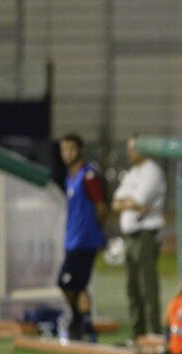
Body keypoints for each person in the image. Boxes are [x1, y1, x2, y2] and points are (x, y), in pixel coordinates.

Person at [112, 134, 166, 340]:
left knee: (147, 287)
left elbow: (139, 200)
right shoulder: (133, 172)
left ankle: (153, 333)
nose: (129, 152)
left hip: (145, 234)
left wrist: (129, 202)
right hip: (130, 235)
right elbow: (117, 202)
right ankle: (137, 334)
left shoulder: (152, 171)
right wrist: (130, 203)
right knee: (132, 287)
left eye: (133, 148)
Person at [56, 133, 106, 341]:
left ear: (79, 150)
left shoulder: (88, 176)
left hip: (85, 241)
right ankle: (83, 323)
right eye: (63, 149)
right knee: (77, 285)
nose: (67, 153)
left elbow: (100, 205)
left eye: (70, 149)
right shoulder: (70, 178)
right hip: (72, 239)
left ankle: (80, 322)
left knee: (66, 281)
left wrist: (96, 230)